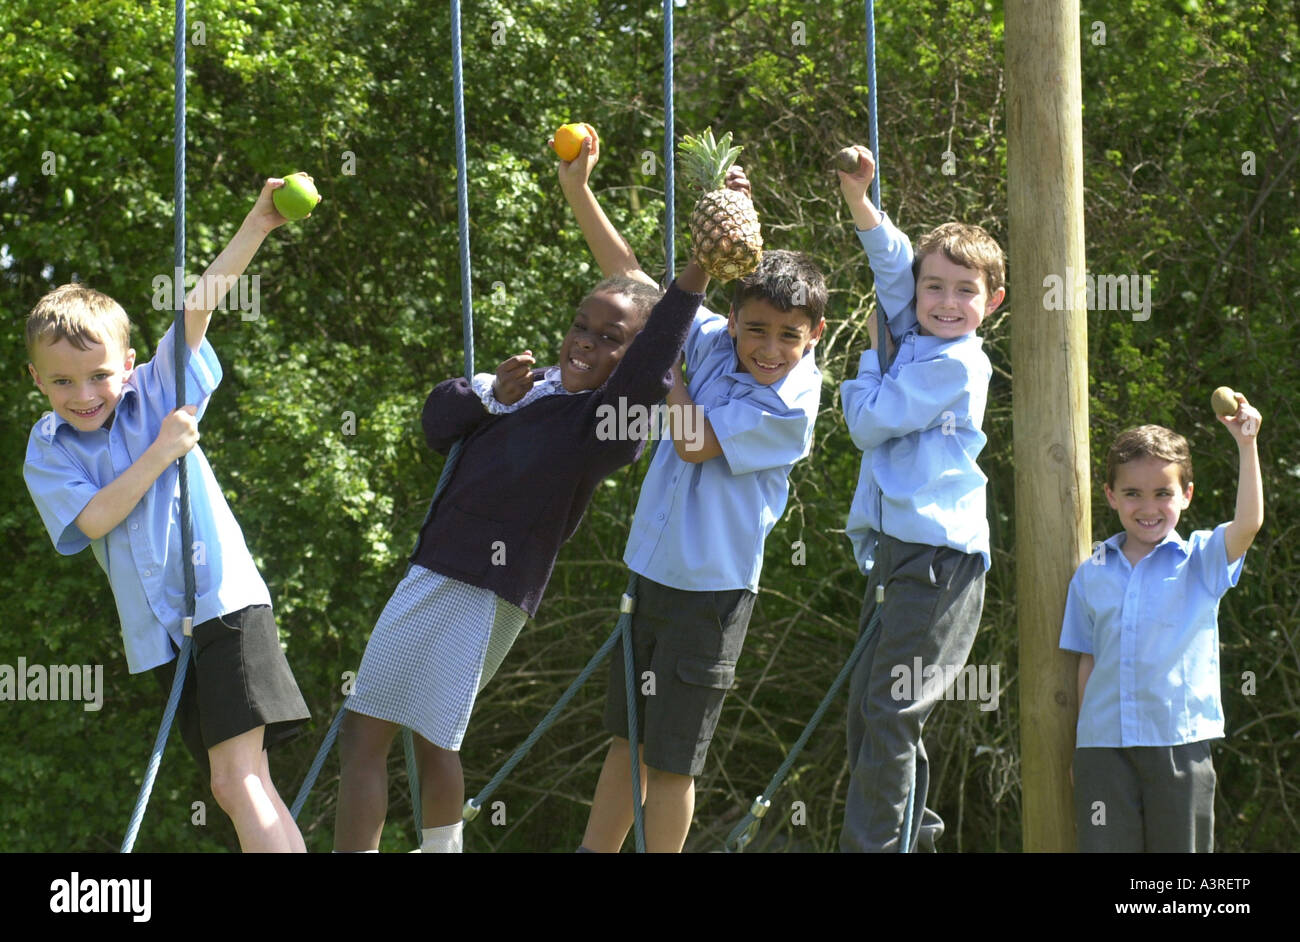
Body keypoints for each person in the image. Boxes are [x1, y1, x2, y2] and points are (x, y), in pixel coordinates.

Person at [332, 143, 719, 852]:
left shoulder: (605, 425)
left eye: (610, 341)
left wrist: (696, 271)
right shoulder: (528, 386)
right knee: (375, 728)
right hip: (435, 568)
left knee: (425, 731)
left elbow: (653, 353)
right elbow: (435, 425)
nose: (586, 345)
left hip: (487, 584)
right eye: (581, 326)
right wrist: (488, 394)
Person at [23, 179, 312, 852]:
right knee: (240, 782)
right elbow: (93, 520)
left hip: (222, 603)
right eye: (62, 381)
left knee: (237, 781)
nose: (84, 394)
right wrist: (161, 452)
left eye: (98, 375)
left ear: (128, 364)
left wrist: (258, 223)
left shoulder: (158, 387)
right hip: (161, 633)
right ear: (38, 381)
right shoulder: (48, 448)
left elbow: (198, 306)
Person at [560, 127, 827, 853]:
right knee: (627, 739)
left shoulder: (793, 400)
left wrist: (666, 374)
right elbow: (633, 279)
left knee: (673, 762)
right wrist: (578, 189)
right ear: (735, 320)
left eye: (787, 336)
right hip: (649, 574)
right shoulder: (711, 339)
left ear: (814, 335)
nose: (768, 348)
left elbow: (693, 440)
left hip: (709, 596)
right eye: (755, 330)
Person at [835, 145, 1005, 852]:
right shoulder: (922, 342)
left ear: (991, 303)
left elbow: (867, 422)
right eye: (933, 288)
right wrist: (859, 198)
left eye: (963, 291)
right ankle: (910, 838)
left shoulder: (957, 365)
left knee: (891, 709)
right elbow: (891, 261)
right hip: (905, 554)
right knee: (871, 715)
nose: (943, 302)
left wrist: (869, 362)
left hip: (937, 559)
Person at [1061, 409, 1262, 852]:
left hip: (1179, 745)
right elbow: (1087, 659)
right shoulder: (1090, 573)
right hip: (1103, 751)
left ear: (1186, 495)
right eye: (1133, 493)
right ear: (1111, 496)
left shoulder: (1201, 560)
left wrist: (1246, 445)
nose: (1148, 507)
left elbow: (1248, 524)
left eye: (1162, 493)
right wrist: (1083, 745)